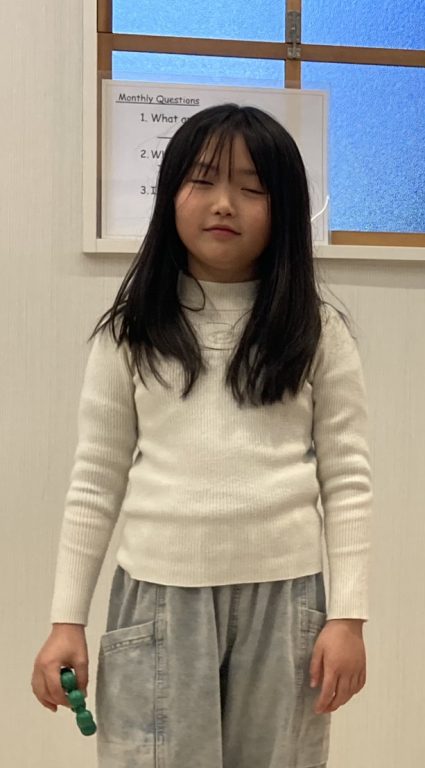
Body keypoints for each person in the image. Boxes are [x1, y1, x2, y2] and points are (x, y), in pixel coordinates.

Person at [30, 104, 372, 768]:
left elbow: (349, 479)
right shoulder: (130, 332)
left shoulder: (318, 331)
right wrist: (66, 620)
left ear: (284, 209)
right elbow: (95, 482)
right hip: (158, 596)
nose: (224, 203)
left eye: (251, 187)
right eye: (203, 180)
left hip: (287, 599)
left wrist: (349, 617)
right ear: (170, 196)